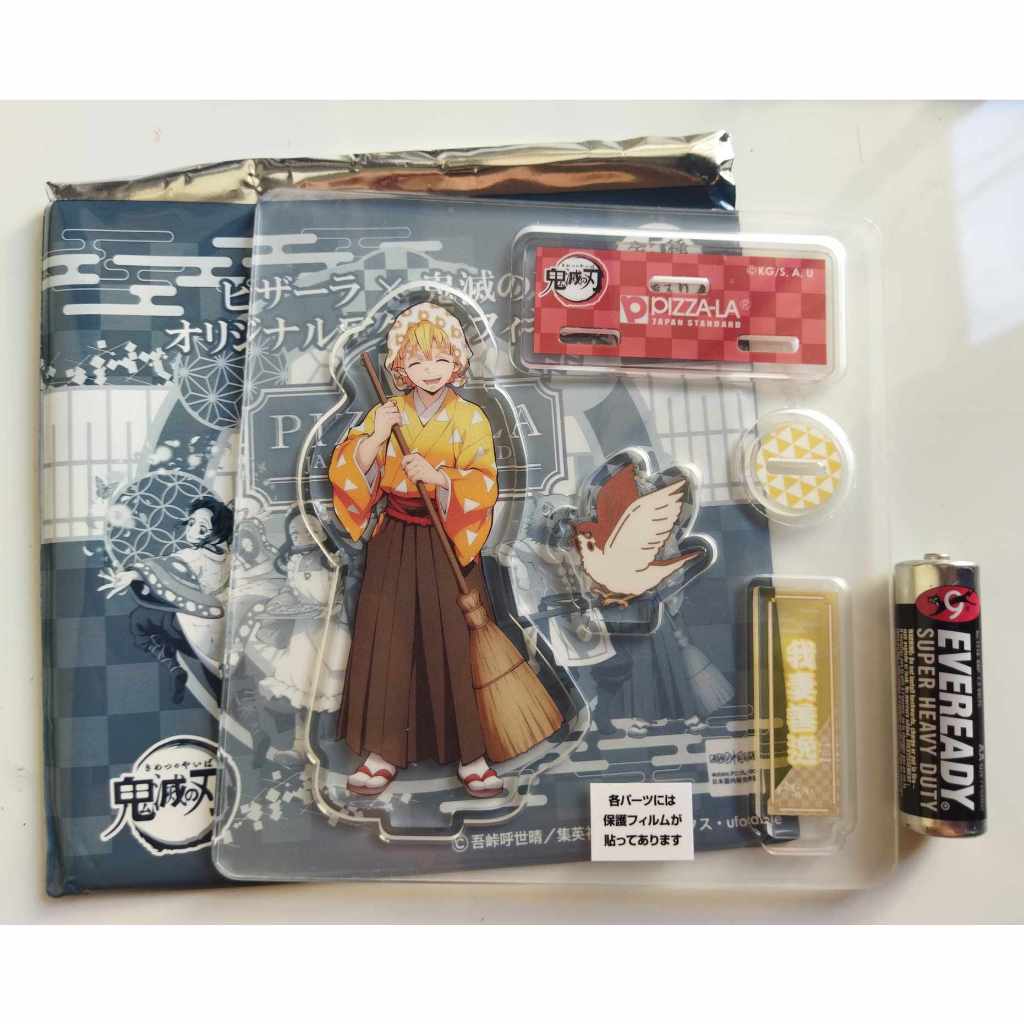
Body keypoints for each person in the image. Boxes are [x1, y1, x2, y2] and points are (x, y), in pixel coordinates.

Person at [328, 302, 505, 799]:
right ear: (400, 366)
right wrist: (376, 438)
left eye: (441, 359)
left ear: (457, 363)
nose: (430, 370)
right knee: (389, 640)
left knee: (456, 641)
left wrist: (440, 478)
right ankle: (383, 752)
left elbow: (486, 484)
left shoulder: (470, 418)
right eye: (418, 360)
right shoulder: (387, 413)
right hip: (394, 541)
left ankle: (472, 753)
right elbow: (348, 470)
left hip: (446, 539)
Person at [101, 496, 233, 704]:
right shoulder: (230, 557)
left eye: (201, 528)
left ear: (219, 532)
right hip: (219, 626)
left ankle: (172, 665)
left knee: (139, 619)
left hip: (188, 624)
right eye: (191, 523)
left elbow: (166, 566)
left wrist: (132, 575)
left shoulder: (194, 555)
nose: (191, 531)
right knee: (215, 675)